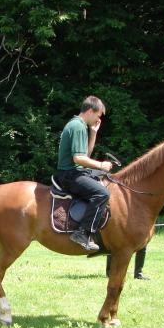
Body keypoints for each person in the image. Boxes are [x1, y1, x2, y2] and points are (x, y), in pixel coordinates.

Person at [54, 95, 111, 251]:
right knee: (102, 194)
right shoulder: (78, 126)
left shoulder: (79, 125)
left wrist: (93, 133)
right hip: (70, 175)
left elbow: (85, 154)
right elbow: (78, 158)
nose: (98, 119)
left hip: (74, 172)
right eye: (98, 115)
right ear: (91, 111)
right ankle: (82, 233)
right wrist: (101, 165)